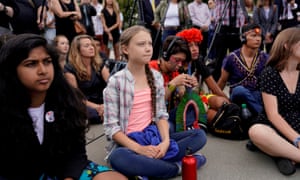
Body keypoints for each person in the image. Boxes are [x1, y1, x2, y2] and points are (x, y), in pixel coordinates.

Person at [0, 33, 127, 180]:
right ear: (11, 70)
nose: (42, 70)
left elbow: (76, 153)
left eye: (47, 61)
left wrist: (69, 177)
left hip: (62, 168)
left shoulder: (67, 101)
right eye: (31, 64)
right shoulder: (5, 110)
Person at [103, 25, 206, 179]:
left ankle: (150, 168)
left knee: (200, 135)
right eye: (141, 44)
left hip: (154, 137)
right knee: (118, 157)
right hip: (130, 143)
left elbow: (161, 115)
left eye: (150, 44)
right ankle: (177, 167)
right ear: (125, 49)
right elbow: (112, 129)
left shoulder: (156, 77)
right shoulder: (116, 82)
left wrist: (164, 143)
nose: (147, 48)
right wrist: (140, 149)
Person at [248, 27, 300, 176]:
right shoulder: (270, 73)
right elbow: (273, 115)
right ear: (287, 46)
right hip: (275, 125)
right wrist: (297, 139)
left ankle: (283, 154)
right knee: (256, 131)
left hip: (297, 122)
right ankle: (294, 154)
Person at [176, 28, 230, 123]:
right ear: (182, 48)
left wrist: (231, 103)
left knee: (223, 103)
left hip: (200, 98)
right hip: (184, 104)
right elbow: (182, 96)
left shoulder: (198, 62)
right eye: (190, 45)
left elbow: (215, 89)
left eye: (196, 44)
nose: (195, 49)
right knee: (215, 115)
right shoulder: (177, 66)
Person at [217, 23, 269, 117]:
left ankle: (260, 114)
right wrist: (213, 97)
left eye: (259, 36)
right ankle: (264, 116)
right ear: (243, 38)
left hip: (256, 94)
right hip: (238, 96)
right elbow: (222, 80)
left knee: (262, 94)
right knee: (239, 90)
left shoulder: (265, 57)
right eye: (253, 35)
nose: (258, 39)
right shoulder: (231, 58)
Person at [64, 34, 108, 124]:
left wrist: (106, 105)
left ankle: (106, 113)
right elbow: (76, 97)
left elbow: (111, 85)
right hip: (84, 103)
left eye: (92, 45)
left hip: (102, 101)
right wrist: (97, 107)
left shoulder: (99, 64)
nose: (91, 48)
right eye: (87, 46)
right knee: (91, 114)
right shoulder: (70, 69)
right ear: (78, 50)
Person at [211, 0, 247, 81]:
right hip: (223, 24)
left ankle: (236, 81)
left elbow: (249, 3)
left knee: (237, 57)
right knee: (219, 57)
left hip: (237, 27)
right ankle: (216, 83)